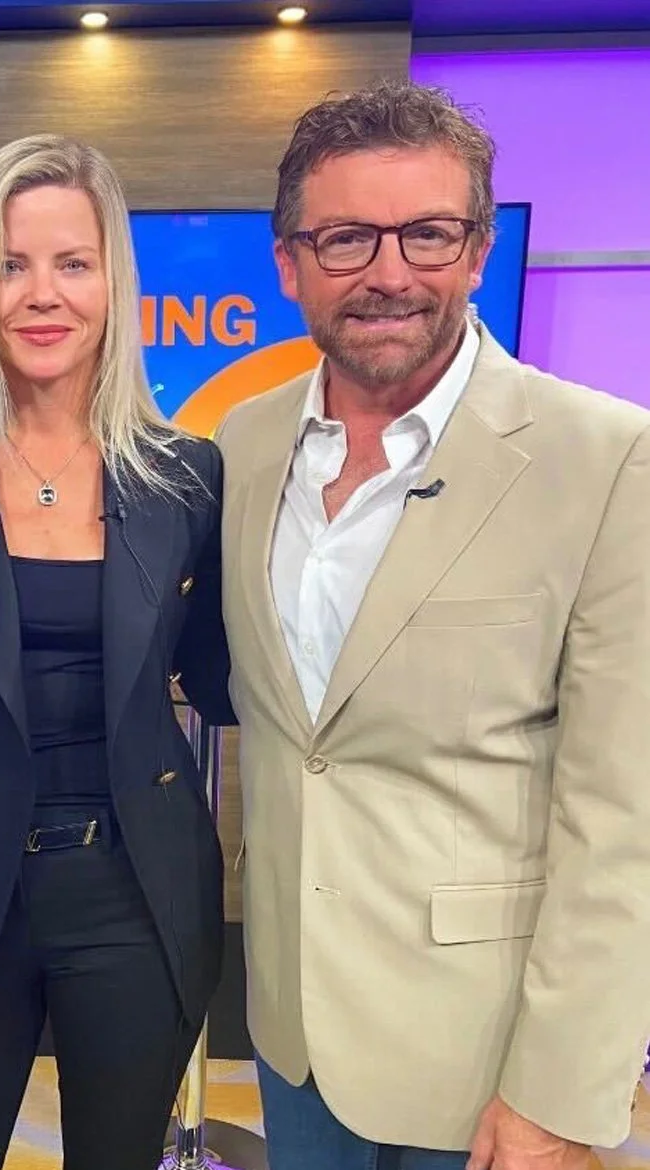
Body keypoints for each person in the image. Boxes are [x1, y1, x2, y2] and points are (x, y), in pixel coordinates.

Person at [215, 78, 650, 1170]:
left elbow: (624, 819)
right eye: (349, 238)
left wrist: (565, 1093)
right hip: (294, 1035)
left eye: (427, 234)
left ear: (478, 249)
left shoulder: (606, 460)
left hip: (488, 1064)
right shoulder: (238, 448)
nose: (390, 272)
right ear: (291, 263)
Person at [0, 134, 233, 1170]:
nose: (41, 294)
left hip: (136, 893)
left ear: (114, 284)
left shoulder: (187, 474)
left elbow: (223, 678)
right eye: (12, 265)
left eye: (72, 263)